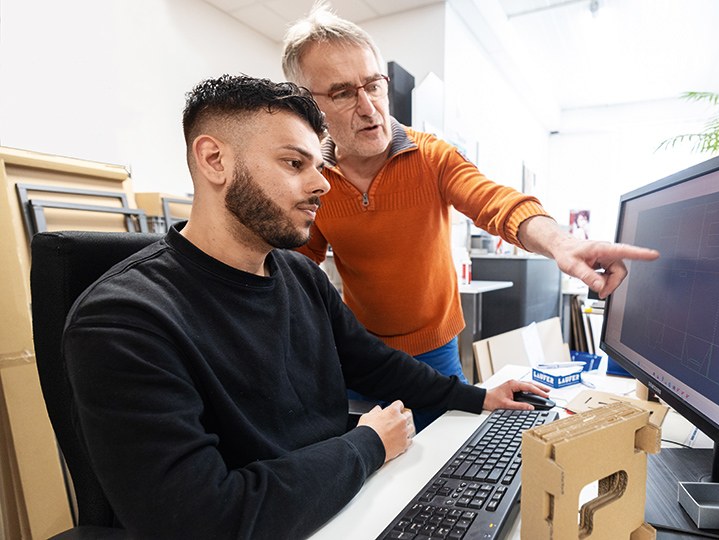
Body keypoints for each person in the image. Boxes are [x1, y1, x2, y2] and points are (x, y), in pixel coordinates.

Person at [62, 74, 549, 539]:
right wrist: (368, 444)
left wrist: (477, 397)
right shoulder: (124, 321)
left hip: (336, 505)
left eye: (319, 166)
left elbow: (372, 363)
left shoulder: (297, 274)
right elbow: (201, 522)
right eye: (295, 164)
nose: (323, 185)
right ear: (214, 160)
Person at [280, 4, 660, 427]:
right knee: (375, 479)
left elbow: (494, 202)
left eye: (374, 85)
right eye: (343, 93)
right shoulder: (314, 183)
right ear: (308, 106)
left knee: (449, 466)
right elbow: (297, 269)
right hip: (362, 356)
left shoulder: (431, 157)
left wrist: (561, 242)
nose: (370, 107)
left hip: (436, 351)